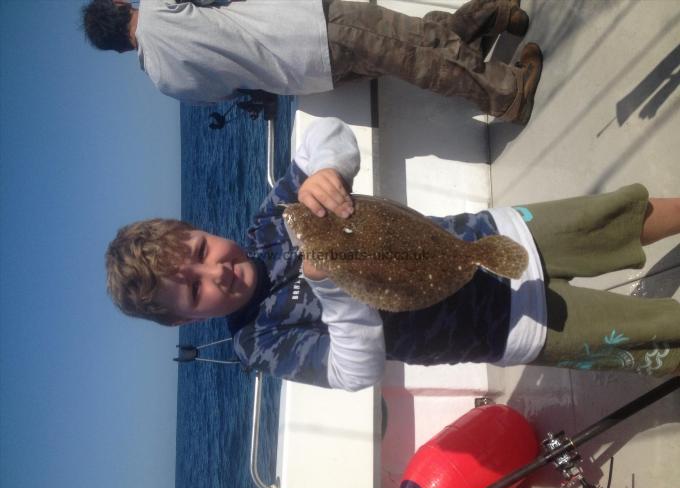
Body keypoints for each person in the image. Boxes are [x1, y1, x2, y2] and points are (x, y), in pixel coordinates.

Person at [105, 118, 680, 390]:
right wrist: (332, 285)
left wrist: (327, 171)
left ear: (201, 229)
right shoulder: (259, 341)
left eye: (203, 249)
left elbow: (326, 134)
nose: (217, 270)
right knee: (649, 329)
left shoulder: (274, 218)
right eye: (194, 287)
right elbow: (354, 372)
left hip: (492, 234)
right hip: (503, 328)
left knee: (617, 219)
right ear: (184, 319)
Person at [81, 0, 542, 124]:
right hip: (309, 26)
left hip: (306, 74)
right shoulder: (158, 7)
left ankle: (490, 14)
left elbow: (230, 90)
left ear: (120, 51)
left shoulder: (163, 82)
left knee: (412, 43)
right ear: (121, 5)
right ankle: (506, 94)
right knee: (414, 51)